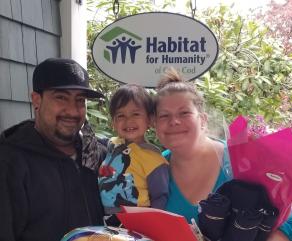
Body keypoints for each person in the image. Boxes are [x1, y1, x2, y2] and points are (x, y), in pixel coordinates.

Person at [153, 68, 292, 241]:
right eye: (164, 116)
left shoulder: (241, 161)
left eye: (184, 113)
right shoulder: (153, 168)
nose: (174, 121)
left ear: (203, 120)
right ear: (155, 125)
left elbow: (290, 224)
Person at [0, 58, 105, 241]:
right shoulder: (9, 162)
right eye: (61, 97)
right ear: (36, 100)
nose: (72, 111)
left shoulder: (97, 154)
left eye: (80, 100)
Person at [98, 84, 169, 219]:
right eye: (120, 115)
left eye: (135, 114)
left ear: (149, 120)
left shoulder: (154, 159)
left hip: (137, 219)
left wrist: (151, 223)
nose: (128, 120)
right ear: (113, 122)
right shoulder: (112, 143)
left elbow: (160, 196)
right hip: (106, 217)